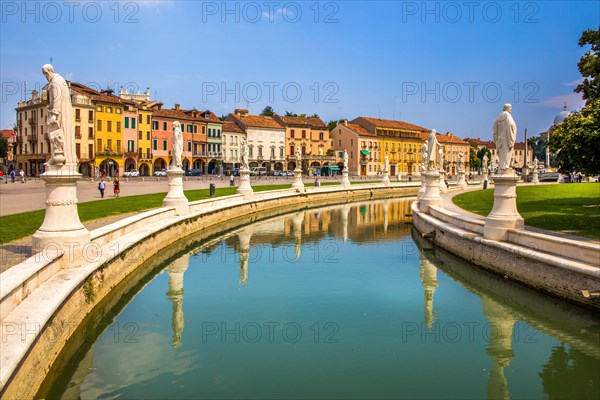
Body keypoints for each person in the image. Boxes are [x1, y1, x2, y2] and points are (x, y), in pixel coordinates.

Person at [42, 64, 77, 169]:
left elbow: (57, 99)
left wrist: (54, 114)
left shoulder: (55, 82)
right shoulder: (59, 81)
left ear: (50, 71)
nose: (45, 76)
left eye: (46, 73)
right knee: (57, 135)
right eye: (44, 74)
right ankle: (58, 155)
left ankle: (58, 156)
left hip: (58, 113)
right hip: (61, 112)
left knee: (55, 134)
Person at [493, 103, 517, 172]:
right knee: (506, 153)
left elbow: (494, 126)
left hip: (500, 139)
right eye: (510, 107)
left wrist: (496, 138)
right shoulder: (508, 115)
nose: (511, 109)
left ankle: (501, 166)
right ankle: (505, 167)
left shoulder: (499, 116)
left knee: (501, 153)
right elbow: (511, 125)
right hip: (507, 138)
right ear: (507, 108)